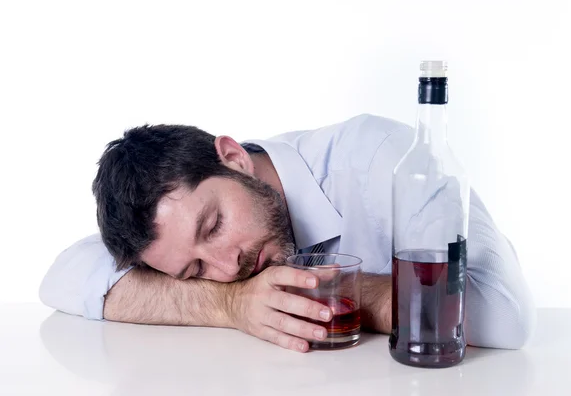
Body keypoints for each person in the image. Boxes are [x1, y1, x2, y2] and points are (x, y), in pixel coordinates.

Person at [39, 114, 536, 352]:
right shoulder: (190, 247)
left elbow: (506, 317)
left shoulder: (383, 158)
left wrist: (336, 293)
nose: (227, 267)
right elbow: (62, 277)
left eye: (213, 226)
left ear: (233, 158)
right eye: (195, 271)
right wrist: (227, 305)